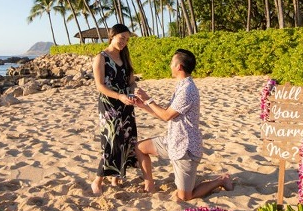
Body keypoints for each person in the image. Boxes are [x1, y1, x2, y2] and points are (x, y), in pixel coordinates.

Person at [134, 49, 233, 201]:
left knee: (186, 196)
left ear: (179, 66)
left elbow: (166, 116)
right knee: (140, 147)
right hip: (173, 141)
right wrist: (143, 105)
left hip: (185, 148)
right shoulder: (181, 85)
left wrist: (148, 99)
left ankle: (221, 180)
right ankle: (149, 184)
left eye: (171, 63)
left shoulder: (188, 90)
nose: (169, 65)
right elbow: (165, 113)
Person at [90, 24, 138, 195]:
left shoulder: (125, 56)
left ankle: (115, 178)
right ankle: (98, 180)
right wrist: (119, 96)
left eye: (127, 39)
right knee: (112, 141)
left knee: (125, 139)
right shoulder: (101, 58)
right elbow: (100, 86)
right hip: (109, 105)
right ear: (112, 36)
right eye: (121, 38)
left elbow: (131, 81)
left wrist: (134, 91)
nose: (124, 42)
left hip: (126, 104)